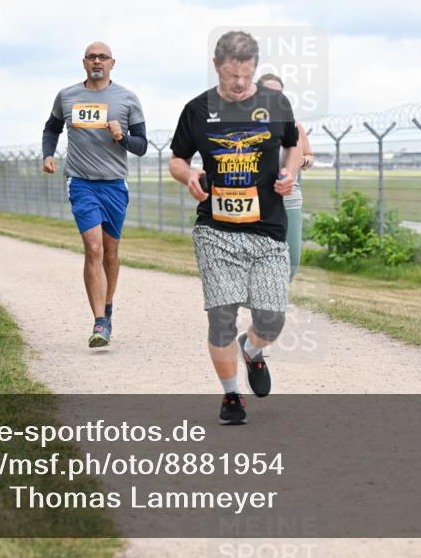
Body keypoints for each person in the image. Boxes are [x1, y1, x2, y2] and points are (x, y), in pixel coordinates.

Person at [169, 31, 300, 424]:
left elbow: (293, 144)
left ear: (255, 68)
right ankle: (231, 396)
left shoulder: (276, 103)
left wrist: (290, 172)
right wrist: (188, 175)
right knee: (221, 314)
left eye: (246, 75)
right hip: (216, 230)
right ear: (216, 66)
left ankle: (253, 350)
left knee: (272, 318)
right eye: (231, 76)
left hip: (267, 229)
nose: (239, 84)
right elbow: (177, 159)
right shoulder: (197, 110)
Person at [42, 41, 148, 348]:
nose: (97, 61)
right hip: (81, 182)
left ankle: (108, 306)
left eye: (103, 57)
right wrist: (48, 154)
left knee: (111, 252)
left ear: (113, 63)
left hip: (114, 184)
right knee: (93, 247)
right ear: (84, 62)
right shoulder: (67, 96)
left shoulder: (127, 98)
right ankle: (99, 321)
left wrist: (122, 137)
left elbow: (141, 146)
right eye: (92, 57)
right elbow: (51, 128)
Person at [258, 73, 315, 280]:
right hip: (258, 197)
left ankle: (278, 292)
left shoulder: (294, 125)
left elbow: (309, 155)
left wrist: (303, 161)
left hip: (289, 195)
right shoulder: (249, 125)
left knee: (291, 261)